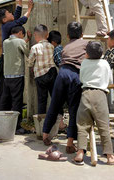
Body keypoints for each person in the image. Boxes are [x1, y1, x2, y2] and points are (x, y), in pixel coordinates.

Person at [42, 22, 88, 153]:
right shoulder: (86, 44)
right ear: (82, 35)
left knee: (55, 105)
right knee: (74, 109)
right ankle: (69, 142)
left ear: (67, 35)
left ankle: (45, 134)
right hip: (75, 75)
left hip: (62, 74)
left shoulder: (65, 47)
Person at [74, 41, 114, 165]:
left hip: (85, 94)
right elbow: (109, 79)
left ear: (87, 54)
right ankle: (110, 156)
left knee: (82, 125)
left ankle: (80, 152)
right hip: (100, 95)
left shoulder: (84, 63)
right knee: (103, 126)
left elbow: (81, 79)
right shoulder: (105, 63)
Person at [0, 0, 34, 111]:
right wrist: (30, 9)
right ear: (5, 19)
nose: (11, 13)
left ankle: (3, 112)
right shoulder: (7, 26)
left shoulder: (8, 25)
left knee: (5, 90)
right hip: (6, 61)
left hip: (8, 61)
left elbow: (16, 17)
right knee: (3, 89)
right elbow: (21, 20)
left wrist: (20, 3)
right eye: (8, 13)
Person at [2, 26, 31, 134]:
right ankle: (17, 127)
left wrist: (24, 40)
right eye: (22, 35)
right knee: (17, 101)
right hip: (17, 75)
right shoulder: (20, 42)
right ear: (20, 33)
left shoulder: (5, 42)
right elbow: (27, 53)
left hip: (7, 75)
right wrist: (26, 41)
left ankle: (5, 124)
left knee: (7, 100)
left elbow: (17, 46)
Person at [27, 24, 57, 115]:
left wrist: (32, 66)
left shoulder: (34, 48)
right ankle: (60, 122)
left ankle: (42, 122)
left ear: (35, 35)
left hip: (40, 75)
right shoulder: (51, 46)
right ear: (47, 35)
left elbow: (30, 62)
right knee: (55, 97)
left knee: (42, 99)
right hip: (52, 72)